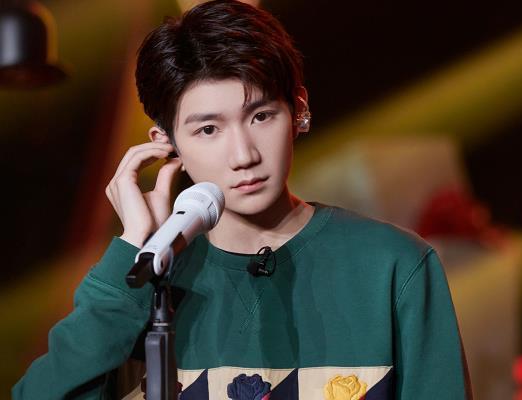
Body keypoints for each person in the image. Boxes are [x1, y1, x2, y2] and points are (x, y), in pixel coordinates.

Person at [13, 1, 472, 398]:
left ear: (299, 109)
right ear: (167, 144)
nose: (243, 155)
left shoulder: (392, 266)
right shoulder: (146, 284)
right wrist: (133, 250)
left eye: (261, 116)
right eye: (208, 129)